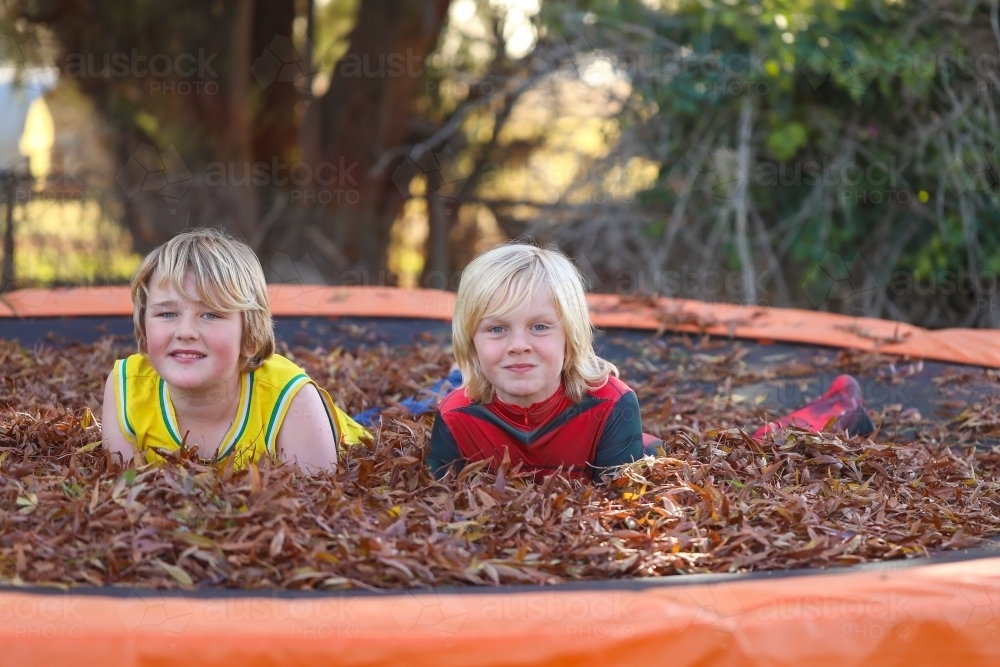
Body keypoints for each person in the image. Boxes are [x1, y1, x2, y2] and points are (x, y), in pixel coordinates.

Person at [101, 227, 368, 472]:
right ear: (145, 332)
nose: (185, 331)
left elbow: (317, 507)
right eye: (168, 313)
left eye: (211, 315)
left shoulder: (290, 401)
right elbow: (125, 488)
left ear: (249, 337)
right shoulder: (127, 387)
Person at [426, 243, 658, 481]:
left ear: (570, 337)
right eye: (496, 328)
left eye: (539, 327)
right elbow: (438, 501)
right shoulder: (455, 416)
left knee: (653, 452)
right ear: (471, 342)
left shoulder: (611, 405)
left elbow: (616, 506)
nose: (518, 345)